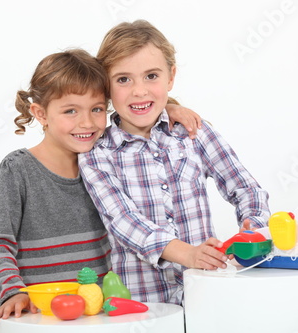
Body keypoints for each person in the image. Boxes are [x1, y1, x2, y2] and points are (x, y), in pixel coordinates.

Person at [0, 49, 201, 321]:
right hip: (43, 316)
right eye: (70, 111)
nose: (86, 122)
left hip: (102, 316)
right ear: (40, 113)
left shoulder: (108, 163)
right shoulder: (17, 171)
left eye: (96, 109)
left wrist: (168, 108)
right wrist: (12, 291)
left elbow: (134, 118)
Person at [78, 20, 271, 305]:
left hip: (208, 295)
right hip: (143, 307)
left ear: (171, 77)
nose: (139, 91)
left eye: (151, 76)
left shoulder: (193, 132)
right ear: (106, 88)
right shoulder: (96, 154)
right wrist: (188, 254)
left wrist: (251, 232)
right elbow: (124, 221)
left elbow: (245, 188)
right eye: (123, 79)